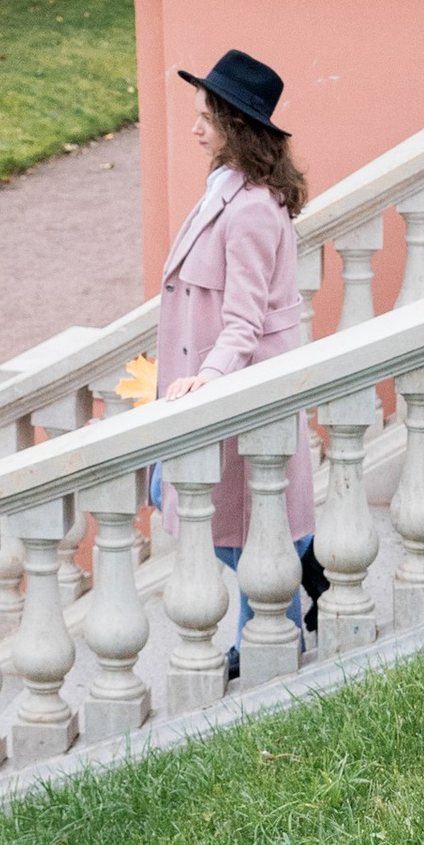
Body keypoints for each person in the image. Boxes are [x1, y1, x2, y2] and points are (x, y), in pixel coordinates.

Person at [155, 47, 322, 659]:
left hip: (243, 389)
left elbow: (245, 322)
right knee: (197, 501)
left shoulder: (250, 209)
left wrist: (209, 377)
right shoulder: (229, 188)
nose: (195, 128)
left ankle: (272, 632)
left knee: (247, 526)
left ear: (237, 128)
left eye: (207, 118)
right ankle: (301, 587)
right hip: (218, 379)